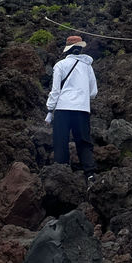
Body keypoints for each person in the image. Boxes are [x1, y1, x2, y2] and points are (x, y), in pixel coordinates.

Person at [46, 35, 98, 187]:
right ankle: (90, 176)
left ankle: (61, 176)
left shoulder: (60, 65)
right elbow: (93, 92)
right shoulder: (88, 66)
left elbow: (55, 91)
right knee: (83, 142)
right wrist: (81, 96)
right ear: (80, 48)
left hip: (63, 108)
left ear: (67, 49)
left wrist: (50, 110)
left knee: (60, 141)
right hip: (82, 109)